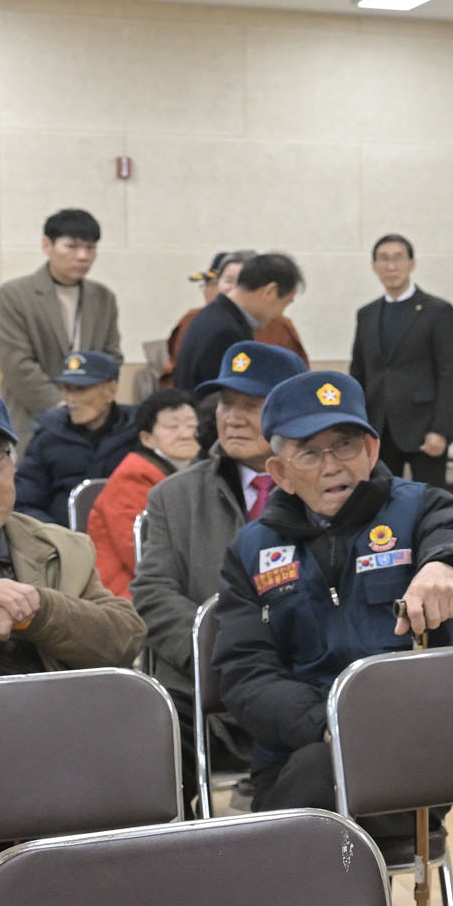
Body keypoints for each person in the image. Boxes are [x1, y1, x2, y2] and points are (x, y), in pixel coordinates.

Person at [210, 370, 453, 832]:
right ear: (281, 473)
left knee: (310, 812)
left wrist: (446, 567)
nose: (332, 467)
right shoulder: (251, 549)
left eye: (345, 446)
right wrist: (326, 723)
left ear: (371, 451)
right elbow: (245, 672)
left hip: (410, 754)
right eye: (310, 453)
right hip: (298, 752)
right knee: (316, 779)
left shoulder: (422, 508)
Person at [132, 342, 308, 816]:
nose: (232, 418)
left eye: (251, 405)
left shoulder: (327, 489)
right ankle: (178, 856)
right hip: (202, 691)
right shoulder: (174, 496)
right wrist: (230, 654)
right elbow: (152, 592)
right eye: (226, 404)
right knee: (142, 765)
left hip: (304, 687)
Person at [0, 384, 148, 677]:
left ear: (13, 464)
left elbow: (125, 639)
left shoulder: (57, 549)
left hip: (46, 707)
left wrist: (33, 609)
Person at [0, 208, 121, 445]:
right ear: (47, 245)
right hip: (34, 419)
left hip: (94, 421)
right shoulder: (15, 295)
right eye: (71, 246)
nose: (82, 256)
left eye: (90, 248)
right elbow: (17, 365)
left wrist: (92, 405)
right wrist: (64, 407)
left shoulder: (103, 297)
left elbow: (112, 357)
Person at [350, 233, 453, 488]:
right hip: (379, 428)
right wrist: (357, 426)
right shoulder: (366, 314)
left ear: (412, 263)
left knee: (430, 500)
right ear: (374, 266)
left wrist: (440, 430)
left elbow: (449, 374)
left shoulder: (437, 311)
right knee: (382, 497)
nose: (391, 266)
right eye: (383, 259)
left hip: (424, 428)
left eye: (398, 258)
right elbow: (358, 373)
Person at [85, 387, 199, 598]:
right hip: (125, 592)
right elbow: (138, 552)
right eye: (172, 426)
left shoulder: (196, 472)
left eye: (192, 425)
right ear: (147, 439)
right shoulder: (132, 477)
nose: (186, 434)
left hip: (173, 583)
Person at [12, 351, 138, 525]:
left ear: (111, 390)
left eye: (81, 389)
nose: (70, 399)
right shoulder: (47, 438)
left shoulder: (138, 435)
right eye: (67, 389)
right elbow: (24, 502)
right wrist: (55, 534)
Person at [162, 253, 309, 387]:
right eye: (285, 303)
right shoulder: (226, 332)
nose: (280, 313)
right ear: (270, 291)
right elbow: (225, 396)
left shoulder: (214, 315)